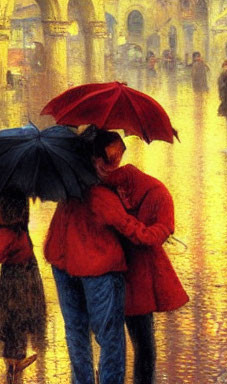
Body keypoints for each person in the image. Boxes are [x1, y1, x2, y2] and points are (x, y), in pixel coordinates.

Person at [43, 132, 171, 384]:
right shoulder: (101, 196)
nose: (114, 166)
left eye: (118, 158)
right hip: (99, 269)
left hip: (64, 266)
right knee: (110, 338)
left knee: (76, 333)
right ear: (95, 158)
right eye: (110, 159)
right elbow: (136, 232)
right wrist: (162, 229)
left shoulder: (68, 188)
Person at [97, 134, 189, 384]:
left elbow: (159, 228)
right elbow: (163, 228)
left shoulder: (103, 186)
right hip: (121, 273)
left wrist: (142, 233)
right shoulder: (108, 188)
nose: (108, 167)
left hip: (122, 274)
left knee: (120, 341)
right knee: (139, 343)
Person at [0, 188, 47, 384]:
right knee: (17, 321)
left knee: (13, 320)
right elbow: (1, 252)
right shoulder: (17, 224)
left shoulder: (7, 231)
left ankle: (13, 365)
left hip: (16, 280)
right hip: (24, 274)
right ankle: (14, 364)